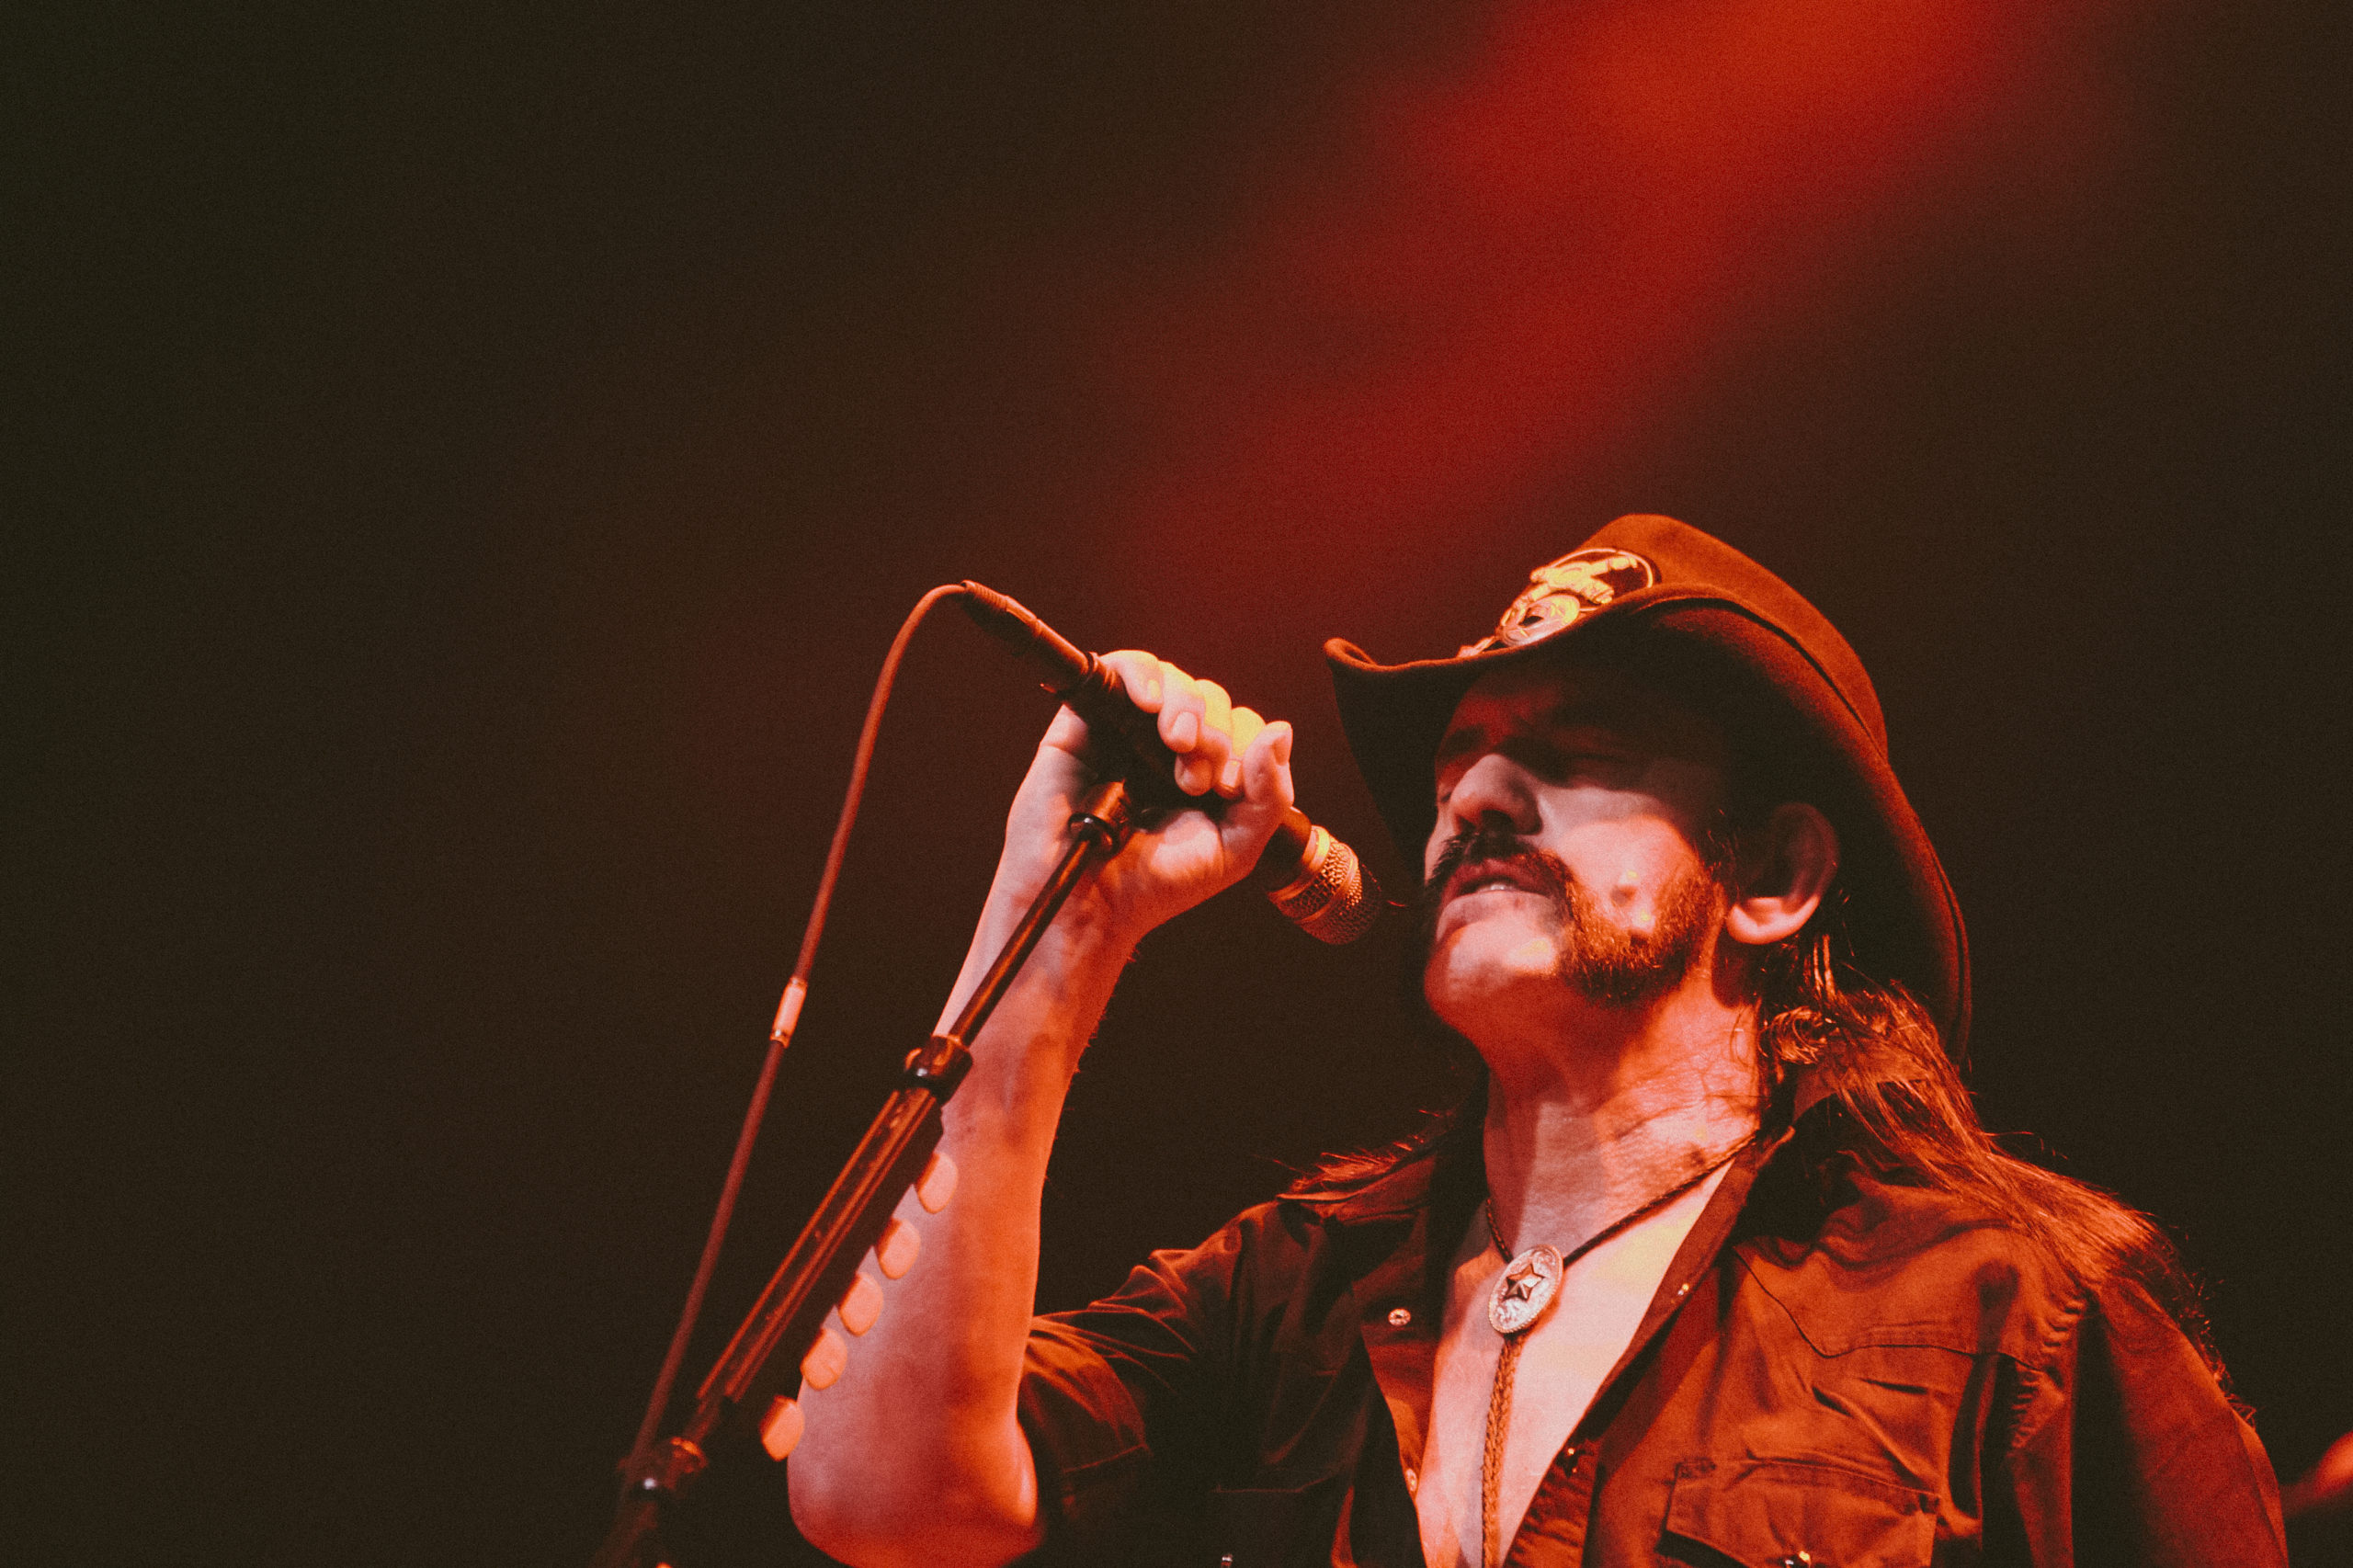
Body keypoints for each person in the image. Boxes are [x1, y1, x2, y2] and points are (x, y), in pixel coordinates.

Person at [782, 516, 2288, 1566]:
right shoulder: (1295, 1287)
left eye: (1577, 755)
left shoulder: (2017, 1318)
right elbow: (880, 1497)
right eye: (1459, 758)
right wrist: (1061, 937)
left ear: (1770, 879)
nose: (1476, 797)